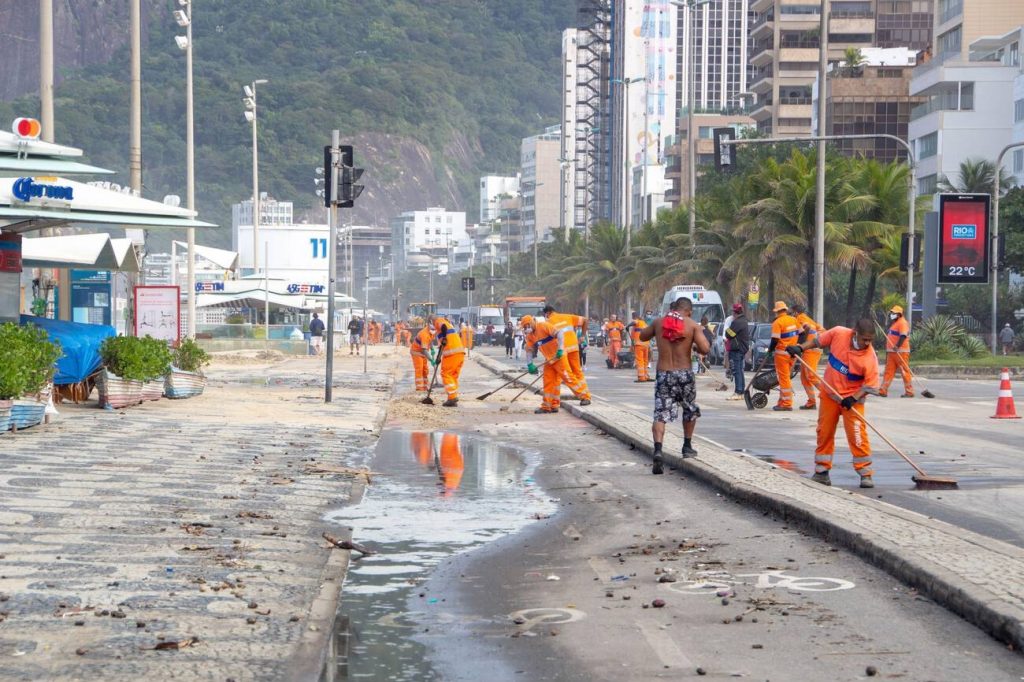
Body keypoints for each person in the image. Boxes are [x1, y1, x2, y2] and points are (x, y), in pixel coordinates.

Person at [787, 319, 880, 488]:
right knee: (824, 432)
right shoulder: (838, 333)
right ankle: (822, 472)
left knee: (857, 435)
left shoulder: (870, 357)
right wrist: (800, 348)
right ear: (855, 333)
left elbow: (870, 385)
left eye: (870, 340)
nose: (867, 343)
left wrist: (853, 398)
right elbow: (817, 342)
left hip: (852, 400)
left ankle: (865, 473)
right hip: (830, 395)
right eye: (864, 339)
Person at [640, 296, 710, 474]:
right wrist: (693, 345)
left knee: (660, 414)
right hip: (684, 373)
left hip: (664, 373)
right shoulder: (692, 325)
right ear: (689, 311)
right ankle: (687, 446)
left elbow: (642, 336)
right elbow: (705, 349)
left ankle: (658, 450)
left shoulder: (659, 322)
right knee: (689, 409)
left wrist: (657, 329)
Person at [520, 315, 591, 413]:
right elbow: (529, 350)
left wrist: (560, 349)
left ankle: (585, 396)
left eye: (527, 326)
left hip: (559, 356)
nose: (526, 328)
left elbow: (559, 333)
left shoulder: (544, 326)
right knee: (548, 382)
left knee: (568, 377)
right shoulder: (530, 336)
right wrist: (530, 364)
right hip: (549, 360)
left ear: (532, 322)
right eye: (524, 327)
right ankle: (549, 405)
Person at [543, 305, 592, 397]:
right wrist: (582, 335)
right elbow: (585, 320)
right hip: (574, 347)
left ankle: (582, 394)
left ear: (547, 313)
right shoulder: (567, 316)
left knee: (566, 373)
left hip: (562, 350)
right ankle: (585, 394)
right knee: (577, 372)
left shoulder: (548, 322)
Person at [791, 303, 824, 410]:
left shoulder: (800, 318)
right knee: (805, 378)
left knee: (811, 376)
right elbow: (822, 330)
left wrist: (801, 344)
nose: (792, 315)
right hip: (811, 350)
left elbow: (807, 327)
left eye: (792, 313)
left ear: (796, 312)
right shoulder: (808, 318)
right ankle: (811, 402)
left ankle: (829, 396)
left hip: (811, 351)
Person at [767, 301, 799, 411]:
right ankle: (782, 401)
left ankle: (786, 403)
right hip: (793, 354)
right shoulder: (794, 320)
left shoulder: (777, 322)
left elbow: (775, 340)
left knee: (784, 379)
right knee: (786, 378)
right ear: (785, 310)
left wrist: (770, 350)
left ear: (777, 311)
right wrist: (798, 346)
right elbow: (802, 333)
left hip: (782, 355)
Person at [428, 313, 466, 407]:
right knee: (453, 376)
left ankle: (452, 397)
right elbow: (443, 345)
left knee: (446, 374)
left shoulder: (438, 321)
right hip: (460, 353)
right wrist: (438, 357)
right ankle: (453, 397)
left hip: (451, 354)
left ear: (431, 321)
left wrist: (444, 337)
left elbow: (443, 327)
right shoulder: (448, 325)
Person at [880, 305, 913, 398]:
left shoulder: (902, 323)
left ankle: (909, 392)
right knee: (888, 371)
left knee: (904, 371)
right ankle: (883, 390)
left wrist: (897, 346)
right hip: (892, 352)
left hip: (901, 352)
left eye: (894, 313)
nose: (892, 314)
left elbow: (903, 336)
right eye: (892, 313)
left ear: (899, 314)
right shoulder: (895, 323)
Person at [724, 303, 749, 400]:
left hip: (737, 349)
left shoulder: (737, 322)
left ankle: (738, 392)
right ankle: (741, 391)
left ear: (735, 312)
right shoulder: (744, 321)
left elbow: (729, 334)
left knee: (737, 371)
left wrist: (728, 330)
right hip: (742, 349)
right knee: (740, 370)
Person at [409, 323, 435, 392]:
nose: (434, 331)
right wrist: (431, 360)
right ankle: (419, 387)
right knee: (419, 369)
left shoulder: (431, 332)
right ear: (429, 327)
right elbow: (424, 350)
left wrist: (432, 349)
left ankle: (425, 386)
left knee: (425, 369)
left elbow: (430, 340)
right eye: (432, 329)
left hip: (423, 353)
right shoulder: (424, 334)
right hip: (417, 352)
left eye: (434, 329)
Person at [627, 311, 651, 382]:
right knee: (645, 361)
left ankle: (641, 377)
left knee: (640, 361)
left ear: (634, 317)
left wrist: (628, 326)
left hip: (639, 345)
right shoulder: (644, 323)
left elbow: (634, 322)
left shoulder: (637, 322)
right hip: (646, 344)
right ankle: (646, 376)